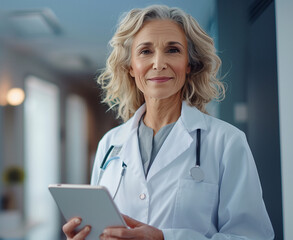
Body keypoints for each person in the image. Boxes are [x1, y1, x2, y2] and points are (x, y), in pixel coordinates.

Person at [62, 4, 274, 240]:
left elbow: (253, 236)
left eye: (173, 50)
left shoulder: (226, 141)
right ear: (131, 67)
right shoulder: (110, 143)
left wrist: (165, 238)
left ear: (189, 64)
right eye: (145, 51)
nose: (158, 63)